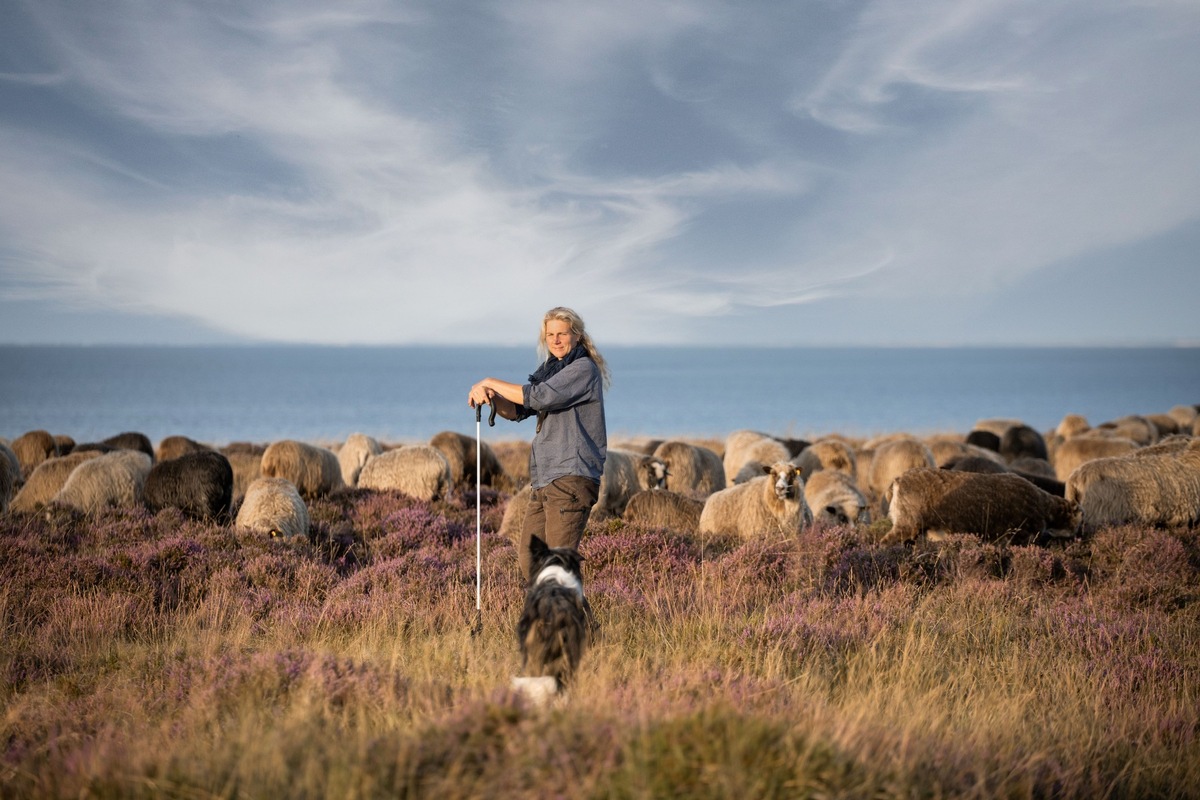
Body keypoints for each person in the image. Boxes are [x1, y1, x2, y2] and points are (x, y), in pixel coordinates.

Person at [468, 307, 610, 581]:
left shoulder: (583, 369)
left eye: (562, 334)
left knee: (556, 569)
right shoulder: (551, 370)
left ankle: (573, 624)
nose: (556, 340)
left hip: (570, 477)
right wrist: (492, 396)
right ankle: (576, 624)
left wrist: (489, 381)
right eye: (550, 335)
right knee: (533, 563)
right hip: (545, 479)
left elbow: (540, 397)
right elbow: (518, 410)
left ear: (577, 336)